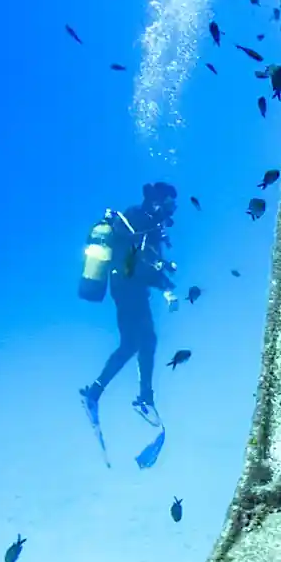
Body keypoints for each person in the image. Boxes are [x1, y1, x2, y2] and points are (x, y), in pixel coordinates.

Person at [81, 182, 178, 425]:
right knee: (144, 341)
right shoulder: (137, 222)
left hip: (129, 289)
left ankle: (95, 394)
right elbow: (136, 265)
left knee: (133, 344)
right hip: (127, 288)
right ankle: (144, 400)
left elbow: (147, 261)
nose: (172, 208)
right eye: (169, 202)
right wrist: (165, 286)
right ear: (157, 201)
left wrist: (163, 269)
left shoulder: (147, 224)